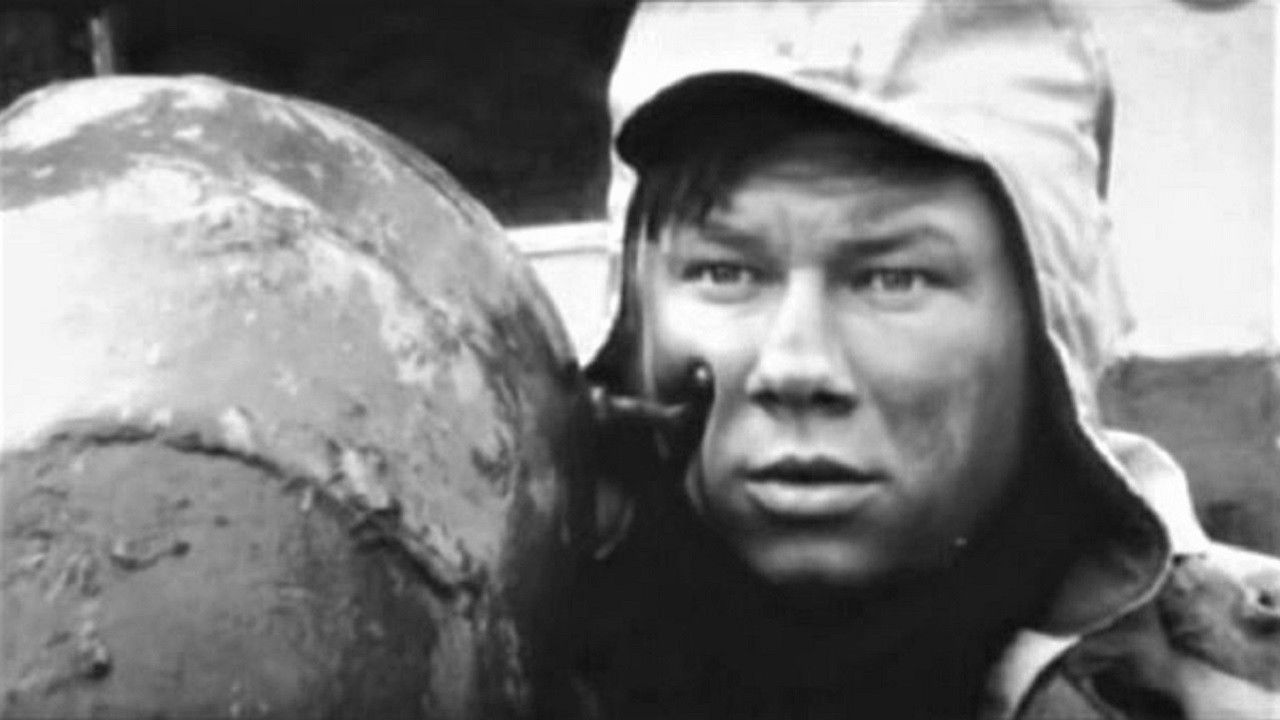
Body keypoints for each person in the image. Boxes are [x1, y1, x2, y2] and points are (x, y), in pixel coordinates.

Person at [574, 1, 1280, 718]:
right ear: (633, 318)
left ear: (1049, 330)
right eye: (725, 272)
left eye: (893, 279)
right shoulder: (517, 665)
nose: (795, 368)